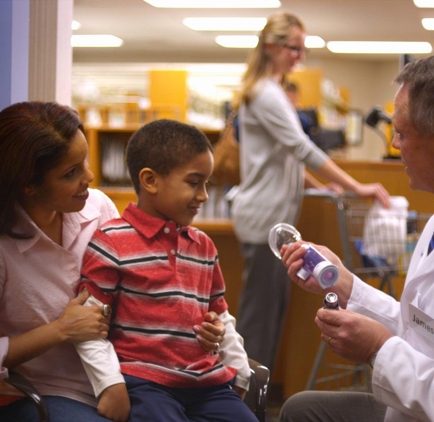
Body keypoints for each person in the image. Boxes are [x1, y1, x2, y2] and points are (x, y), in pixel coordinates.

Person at [279, 51, 434, 422]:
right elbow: (421, 331)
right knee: (302, 409)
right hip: (414, 404)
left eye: (401, 133)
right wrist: (345, 283)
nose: (395, 144)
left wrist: (377, 349)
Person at [0, 102, 225, 422]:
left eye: (85, 162)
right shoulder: (4, 249)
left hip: (130, 377)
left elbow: (138, 291)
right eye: (71, 173)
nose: (90, 177)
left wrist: (199, 323)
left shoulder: (98, 207)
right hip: (50, 390)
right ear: (28, 185)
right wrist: (60, 331)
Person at [231, 11, 390, 377]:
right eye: (294, 48)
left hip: (274, 220)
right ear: (271, 46)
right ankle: (244, 402)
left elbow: (287, 159)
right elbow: (302, 149)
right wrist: (357, 186)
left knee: (272, 314)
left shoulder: (273, 92)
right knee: (260, 319)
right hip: (262, 220)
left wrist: (322, 186)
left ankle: (254, 399)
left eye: (303, 49)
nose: (299, 57)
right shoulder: (264, 94)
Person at [77, 119, 258, 422]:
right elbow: (89, 326)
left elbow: (220, 314)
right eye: (193, 182)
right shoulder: (111, 242)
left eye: (206, 184)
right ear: (150, 181)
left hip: (207, 383)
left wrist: (239, 371)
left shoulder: (204, 246)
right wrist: (109, 385)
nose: (204, 196)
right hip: (145, 384)